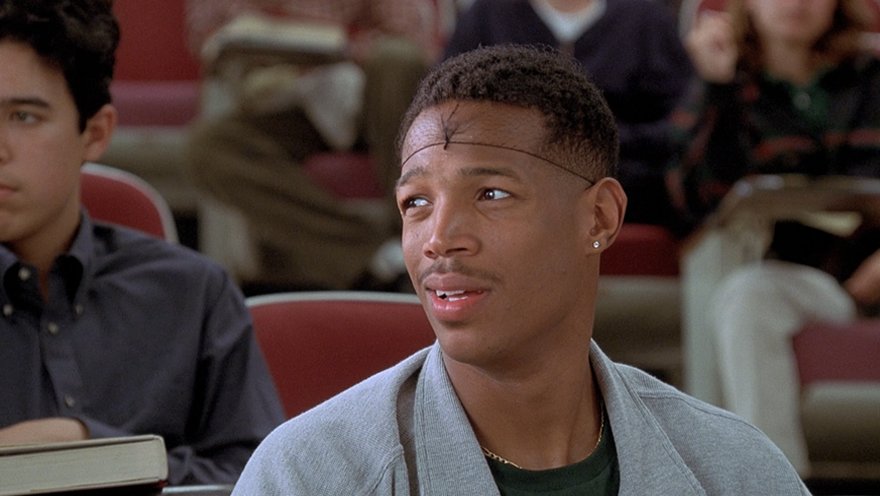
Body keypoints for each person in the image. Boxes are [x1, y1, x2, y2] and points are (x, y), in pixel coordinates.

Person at [230, 44, 809, 495]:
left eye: (492, 194)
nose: (439, 239)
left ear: (599, 217)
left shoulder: (736, 470)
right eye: (417, 202)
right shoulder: (306, 476)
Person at [0, 0, 285, 485]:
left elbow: (264, 476)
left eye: (24, 116)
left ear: (95, 133)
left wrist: (85, 445)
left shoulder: (192, 293)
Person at [667, 0, 880, 474]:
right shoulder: (730, 87)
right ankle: (773, 482)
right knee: (748, 299)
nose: (796, 2)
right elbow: (697, 198)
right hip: (810, 280)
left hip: (873, 260)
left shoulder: (871, 75)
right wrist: (717, 86)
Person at [185, 0, 440, 292]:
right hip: (288, 98)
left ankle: (418, 236)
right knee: (210, 148)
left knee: (397, 60)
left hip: (371, 93)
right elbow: (207, 39)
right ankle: (372, 257)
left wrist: (348, 47)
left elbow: (413, 38)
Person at [442, 0, 693, 227]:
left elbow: (680, 124)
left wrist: (597, 143)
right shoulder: (487, 15)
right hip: (505, 183)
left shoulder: (646, 20)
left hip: (625, 185)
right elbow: (448, 111)